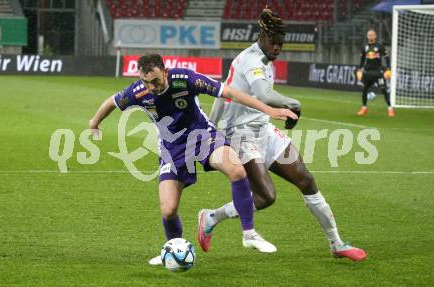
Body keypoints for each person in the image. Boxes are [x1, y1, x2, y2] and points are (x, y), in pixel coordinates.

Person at [88, 54, 297, 265]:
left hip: (203, 136)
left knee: (236, 170)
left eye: (155, 81)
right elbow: (111, 102)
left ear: (165, 72)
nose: (151, 87)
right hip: (172, 149)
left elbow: (230, 93)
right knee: (168, 210)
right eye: (145, 82)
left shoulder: (185, 79)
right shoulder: (137, 92)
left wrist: (270, 110)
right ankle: (172, 248)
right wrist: (94, 122)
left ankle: (249, 234)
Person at [198, 9, 367, 261]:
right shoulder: (252, 61)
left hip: (264, 129)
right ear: (262, 37)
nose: (277, 48)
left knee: (306, 180)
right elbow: (264, 95)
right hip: (242, 135)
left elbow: (226, 91)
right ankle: (211, 216)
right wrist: (292, 103)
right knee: (266, 197)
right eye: (273, 43)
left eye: (280, 44)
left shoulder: (259, 59)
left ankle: (337, 244)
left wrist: (212, 123)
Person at [356, 29, 394, 117]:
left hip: (378, 72)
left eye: (372, 35)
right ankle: (364, 108)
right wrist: (359, 69)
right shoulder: (364, 47)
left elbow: (386, 57)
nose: (371, 36)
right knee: (365, 89)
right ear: (367, 36)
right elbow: (362, 60)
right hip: (368, 72)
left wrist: (388, 69)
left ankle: (390, 109)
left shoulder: (380, 46)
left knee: (384, 90)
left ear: (375, 36)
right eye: (369, 35)